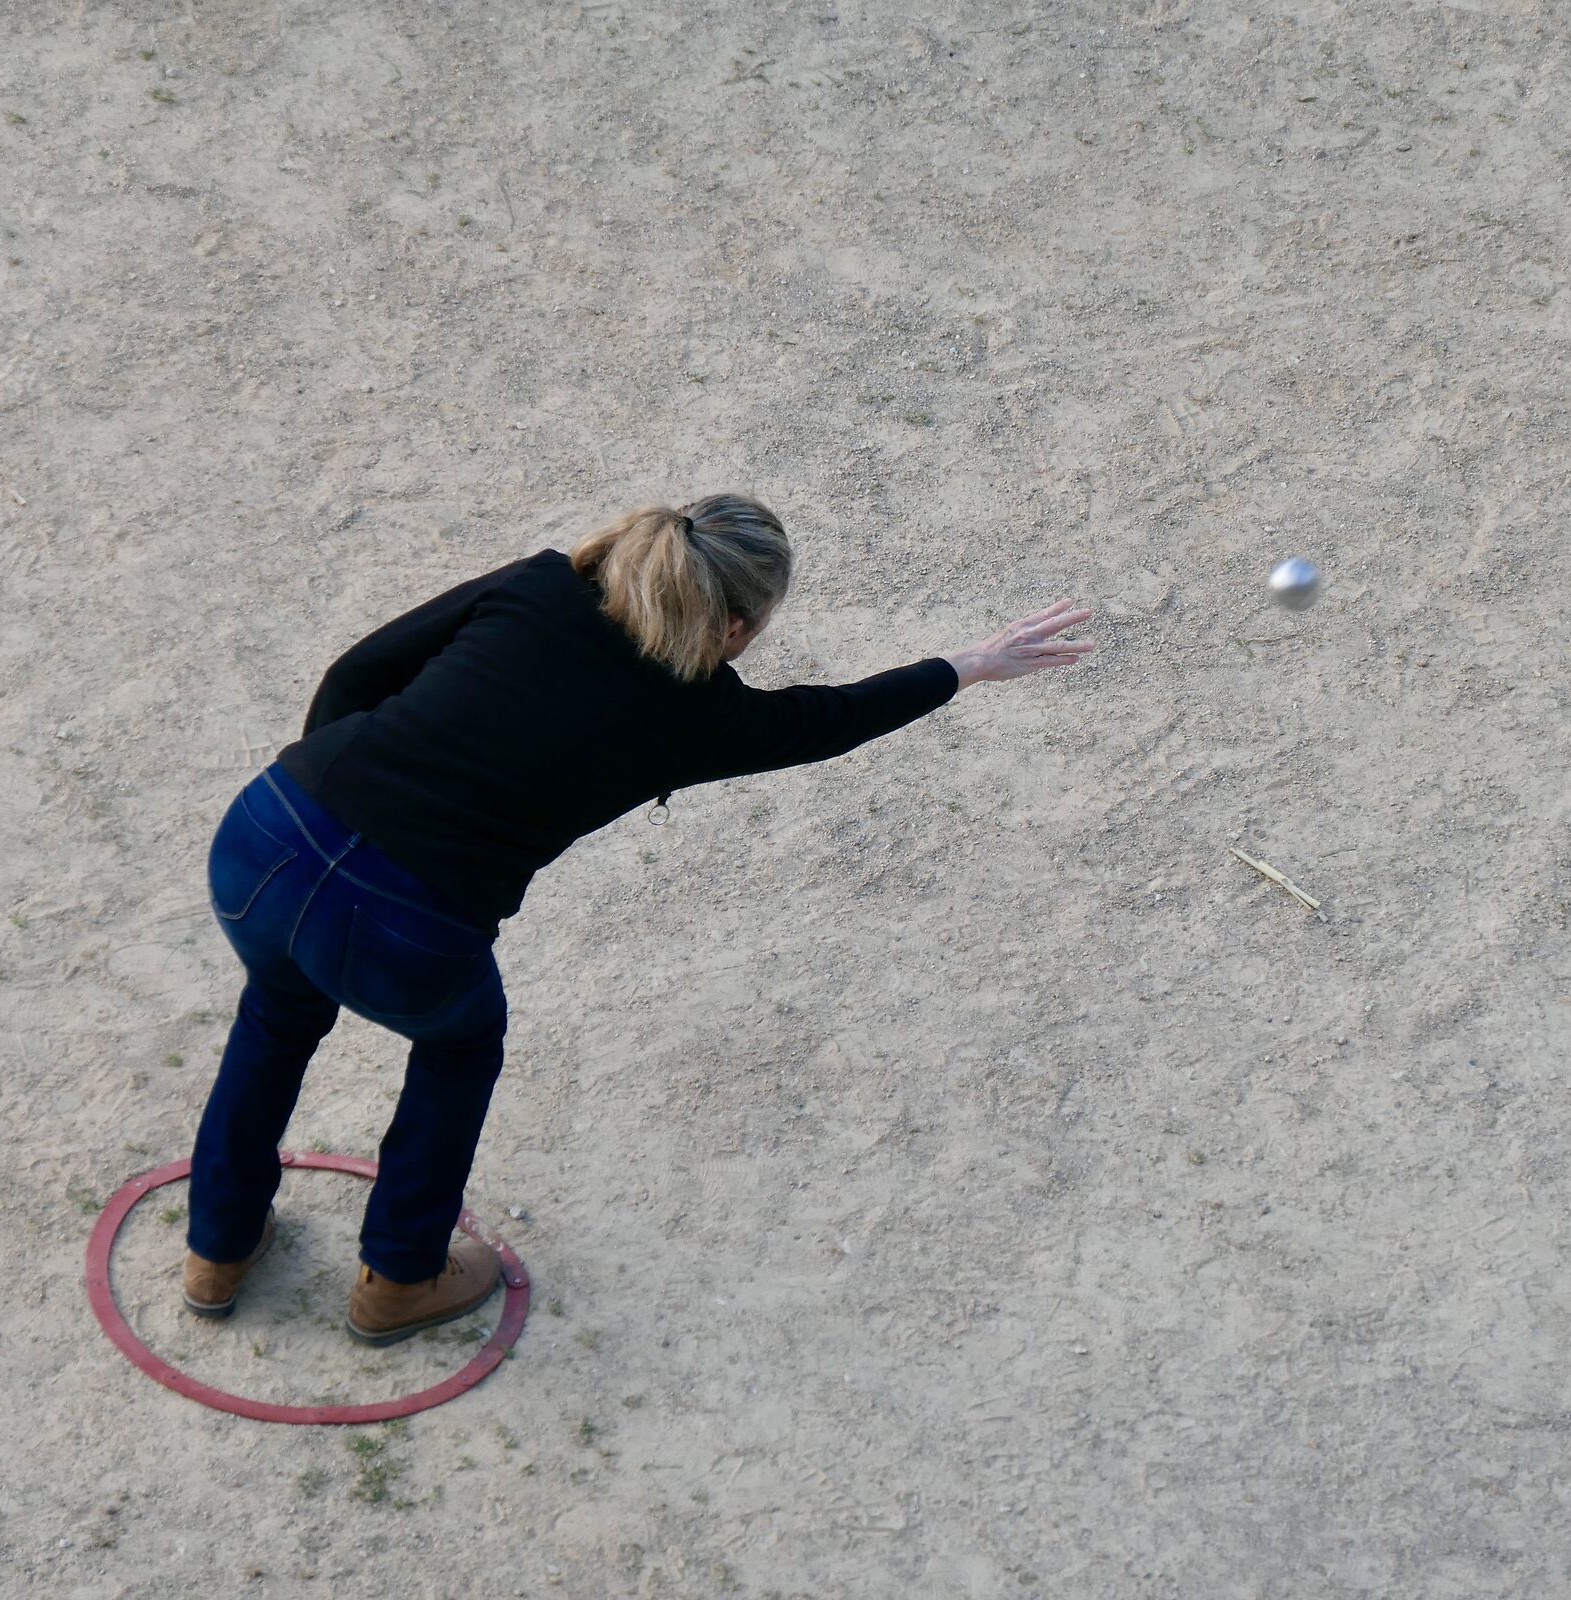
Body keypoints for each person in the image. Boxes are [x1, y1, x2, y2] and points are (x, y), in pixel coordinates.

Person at [180, 494, 1095, 1345]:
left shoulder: (543, 585)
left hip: (265, 831)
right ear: (735, 627)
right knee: (460, 1044)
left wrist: (324, 799)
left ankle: (217, 1249)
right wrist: (971, 665)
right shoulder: (698, 715)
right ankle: (398, 1280)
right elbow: (833, 719)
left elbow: (355, 673)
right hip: (406, 925)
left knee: (278, 1007)